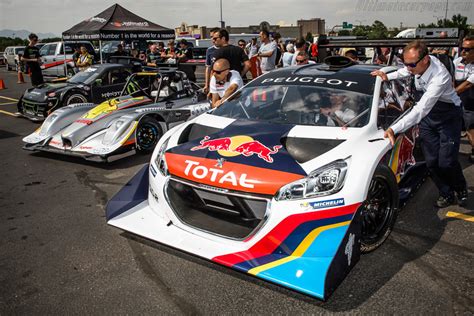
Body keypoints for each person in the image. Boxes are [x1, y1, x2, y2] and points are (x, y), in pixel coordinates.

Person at [371, 40, 468, 207]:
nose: (408, 68)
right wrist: (387, 75)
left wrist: (394, 128)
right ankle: (446, 193)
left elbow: (421, 109)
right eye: (406, 63)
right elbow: (405, 71)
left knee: (446, 162)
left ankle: (460, 188)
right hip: (429, 119)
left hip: (448, 116)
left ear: (425, 60)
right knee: (431, 162)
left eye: (412, 64)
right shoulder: (417, 64)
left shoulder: (440, 77)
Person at [453, 35, 474, 163]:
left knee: (471, 127)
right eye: (462, 48)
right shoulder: (456, 62)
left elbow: (468, 84)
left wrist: (451, 93)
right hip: (456, 101)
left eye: (467, 49)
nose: (463, 52)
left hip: (471, 101)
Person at [204, 27, 221, 94]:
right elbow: (208, 68)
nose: (212, 40)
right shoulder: (209, 50)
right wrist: (206, 84)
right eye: (211, 37)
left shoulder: (228, 49)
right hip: (214, 82)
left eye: (214, 38)